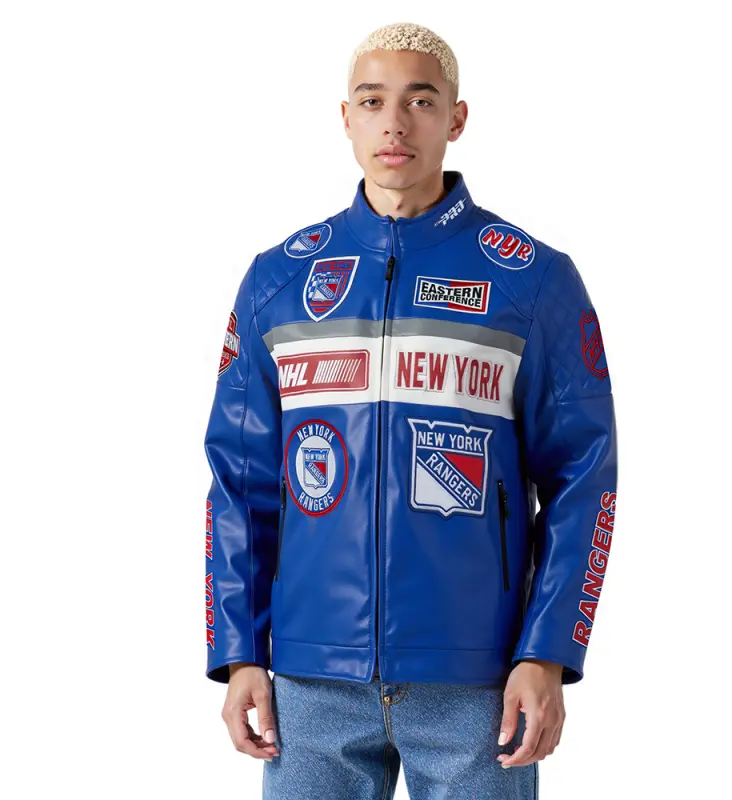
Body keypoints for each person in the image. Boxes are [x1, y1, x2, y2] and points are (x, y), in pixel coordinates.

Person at [203, 20, 618, 800]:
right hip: (310, 682)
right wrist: (239, 651)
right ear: (346, 118)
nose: (395, 122)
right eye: (373, 101)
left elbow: (582, 480)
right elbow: (239, 482)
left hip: (478, 682)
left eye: (420, 101)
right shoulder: (277, 282)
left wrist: (548, 651)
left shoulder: (532, 279)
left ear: (456, 118)